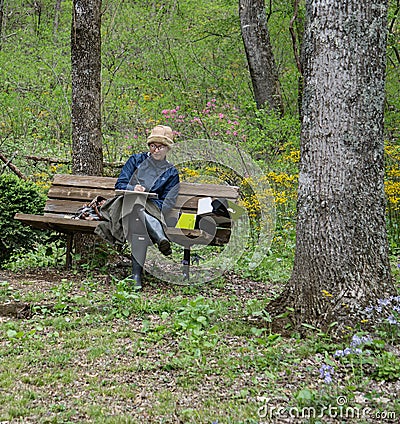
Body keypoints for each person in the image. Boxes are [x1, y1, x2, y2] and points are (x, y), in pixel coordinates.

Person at [96, 125, 180, 289]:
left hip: (153, 210)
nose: (156, 150)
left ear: (167, 148)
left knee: (138, 220)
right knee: (135, 205)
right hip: (125, 206)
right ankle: (158, 236)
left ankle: (136, 276)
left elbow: (168, 202)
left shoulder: (171, 172)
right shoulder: (135, 160)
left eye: (160, 146)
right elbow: (120, 184)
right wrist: (133, 189)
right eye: (153, 146)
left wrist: (148, 202)